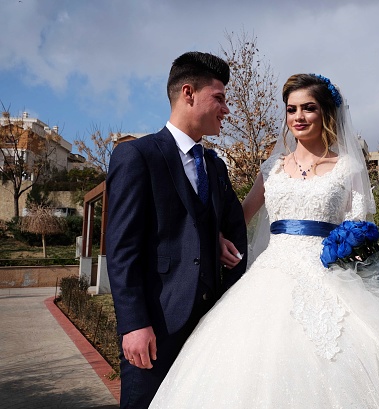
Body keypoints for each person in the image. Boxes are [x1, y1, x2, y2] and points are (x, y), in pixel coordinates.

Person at [149, 74, 379, 408]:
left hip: (329, 276)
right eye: (291, 109)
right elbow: (239, 217)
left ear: (326, 114)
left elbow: (360, 230)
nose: (298, 116)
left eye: (308, 108)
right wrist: (214, 239)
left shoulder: (347, 168)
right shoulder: (271, 167)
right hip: (269, 276)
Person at [105, 51, 248, 409]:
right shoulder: (137, 156)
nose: (226, 110)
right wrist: (134, 324)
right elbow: (122, 250)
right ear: (188, 93)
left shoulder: (215, 166)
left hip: (208, 330)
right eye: (219, 98)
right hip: (155, 329)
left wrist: (213, 239)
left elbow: (234, 228)